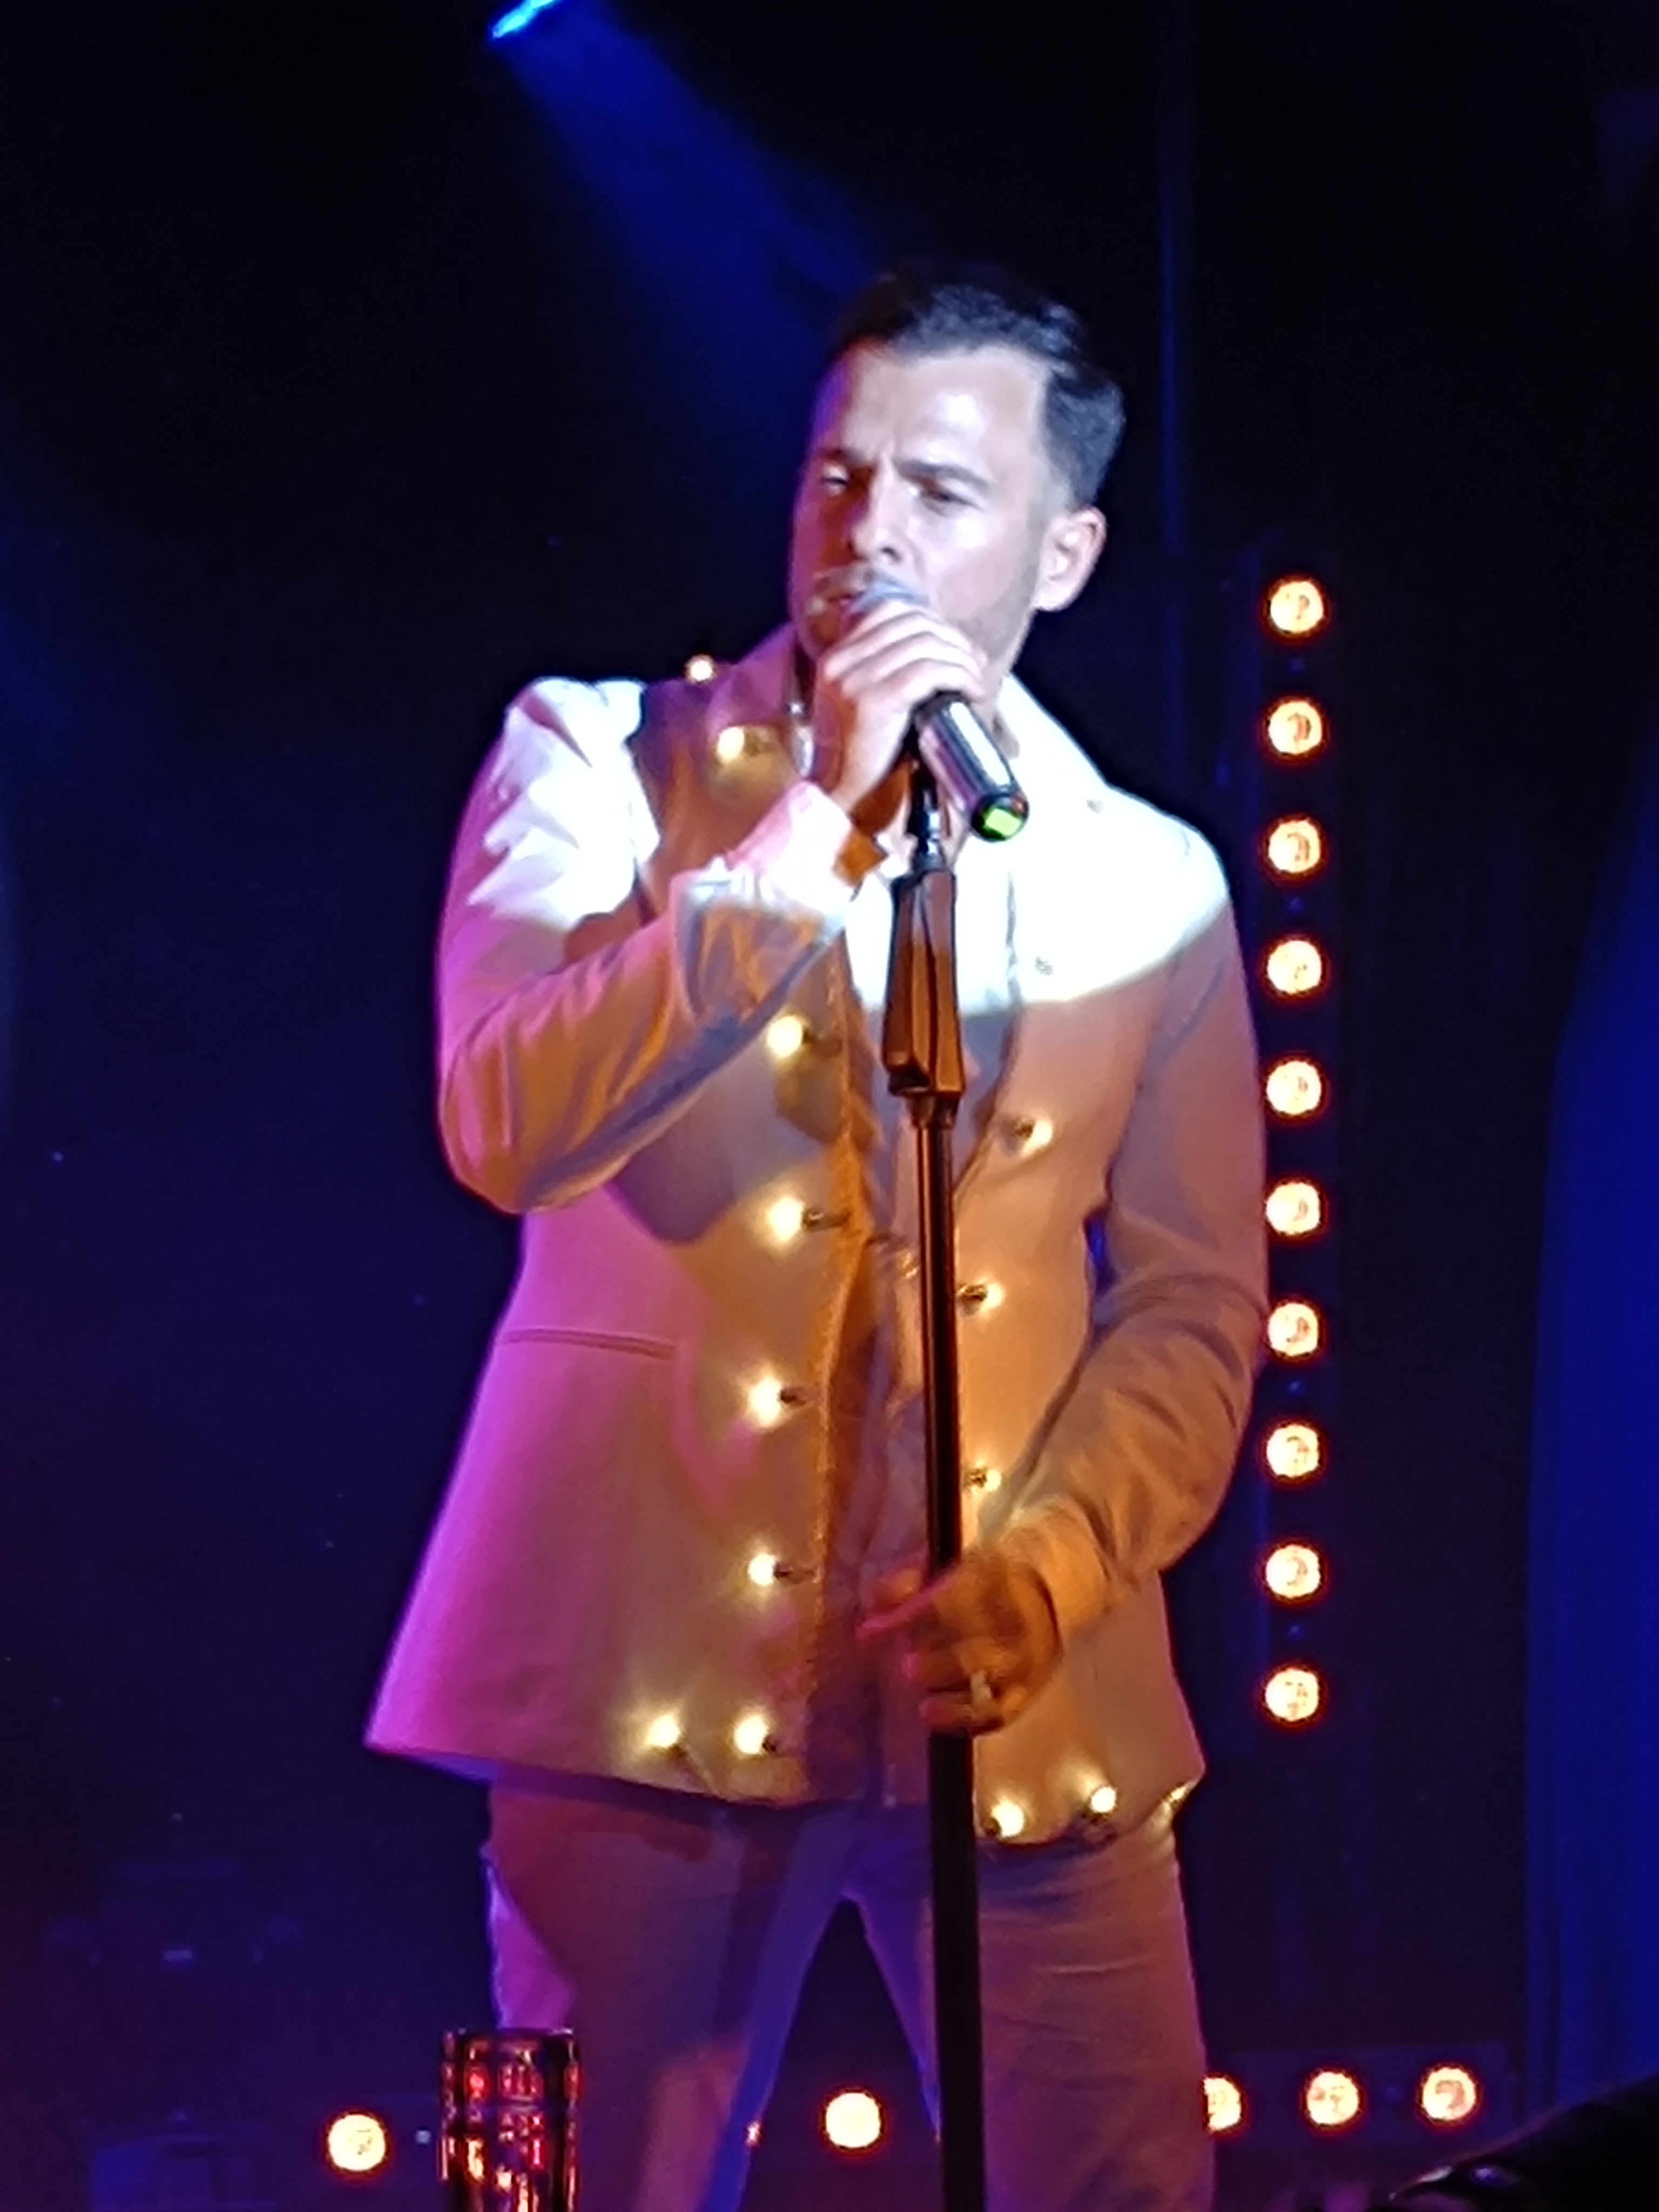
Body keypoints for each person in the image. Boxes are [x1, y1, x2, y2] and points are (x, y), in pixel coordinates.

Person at [368, 262, 1266, 2212]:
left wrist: (1053, 1568)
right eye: (838, 476)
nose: (869, 533)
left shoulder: (1155, 884)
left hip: (1022, 1690)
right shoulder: (597, 759)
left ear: (1066, 552)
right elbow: (503, 1121)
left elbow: (1197, 1310)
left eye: (942, 491)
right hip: (645, 1676)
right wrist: (816, 827)